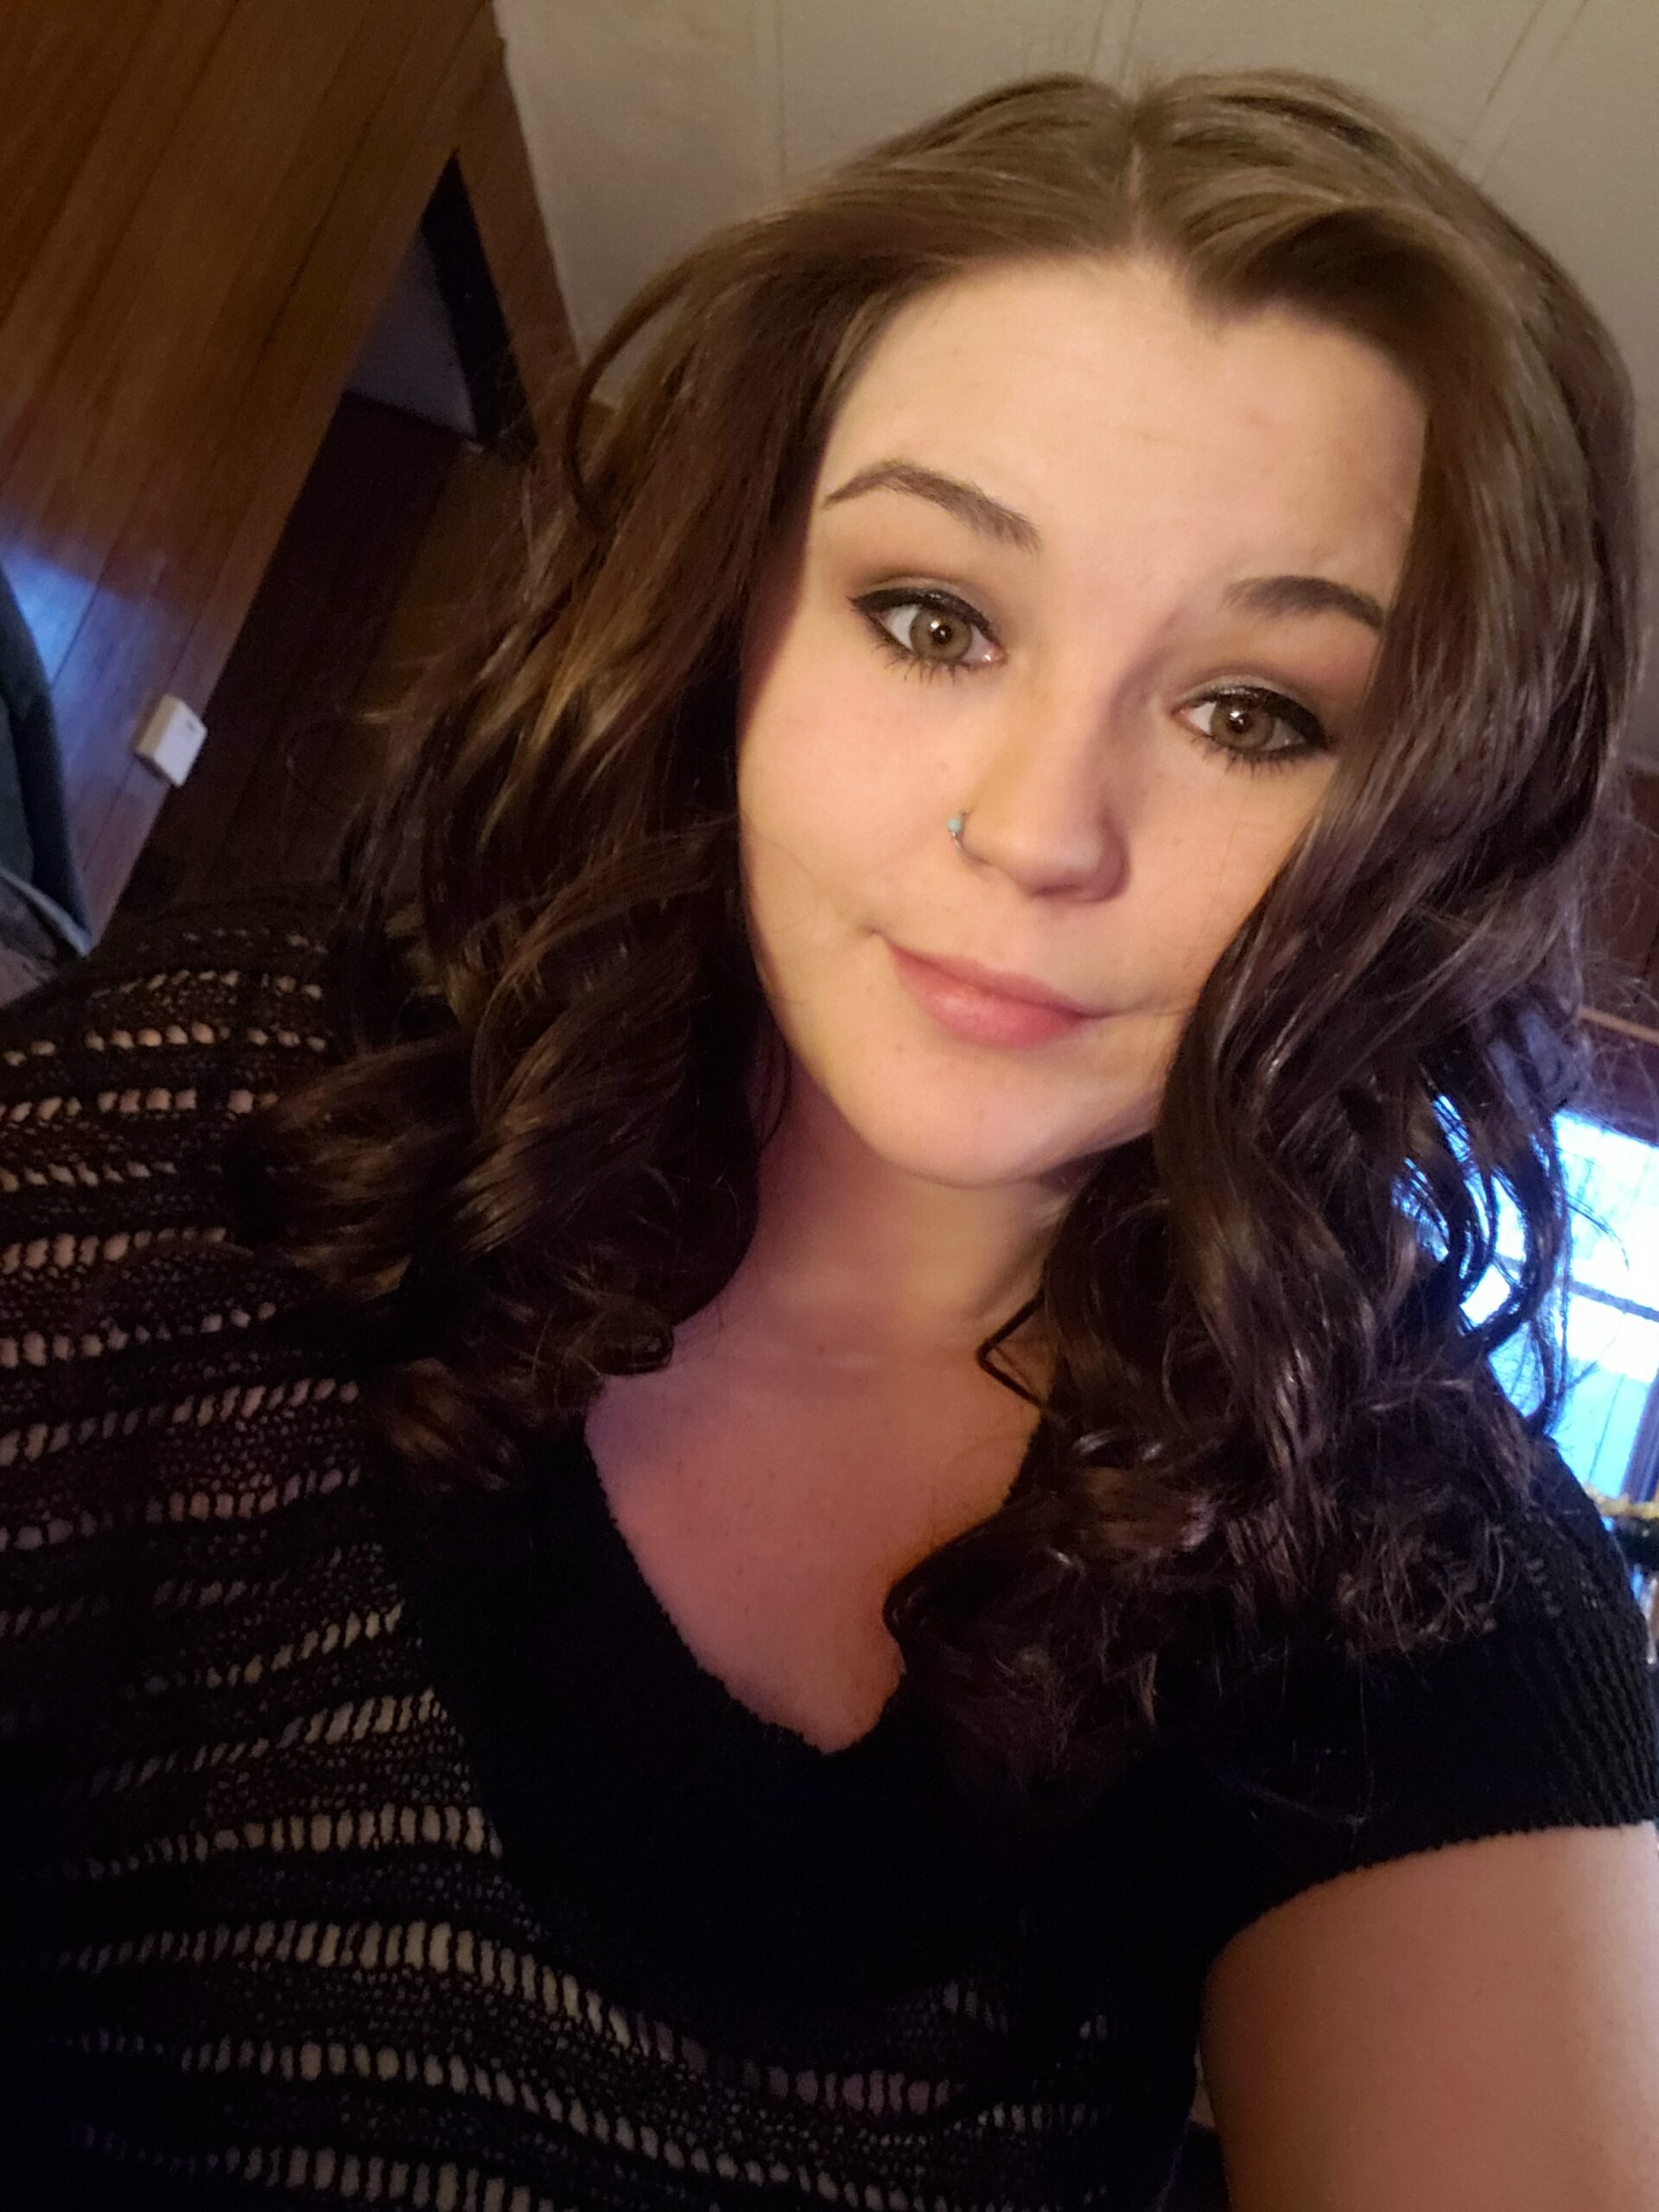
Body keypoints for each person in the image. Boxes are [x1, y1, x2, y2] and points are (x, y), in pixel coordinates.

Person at [2, 65, 1657, 2212]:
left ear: (1421, 832)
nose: (1037, 830)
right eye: (931, 615)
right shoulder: (240, 1114)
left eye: (1254, 712)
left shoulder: (1414, 1564)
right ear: (736, 615)